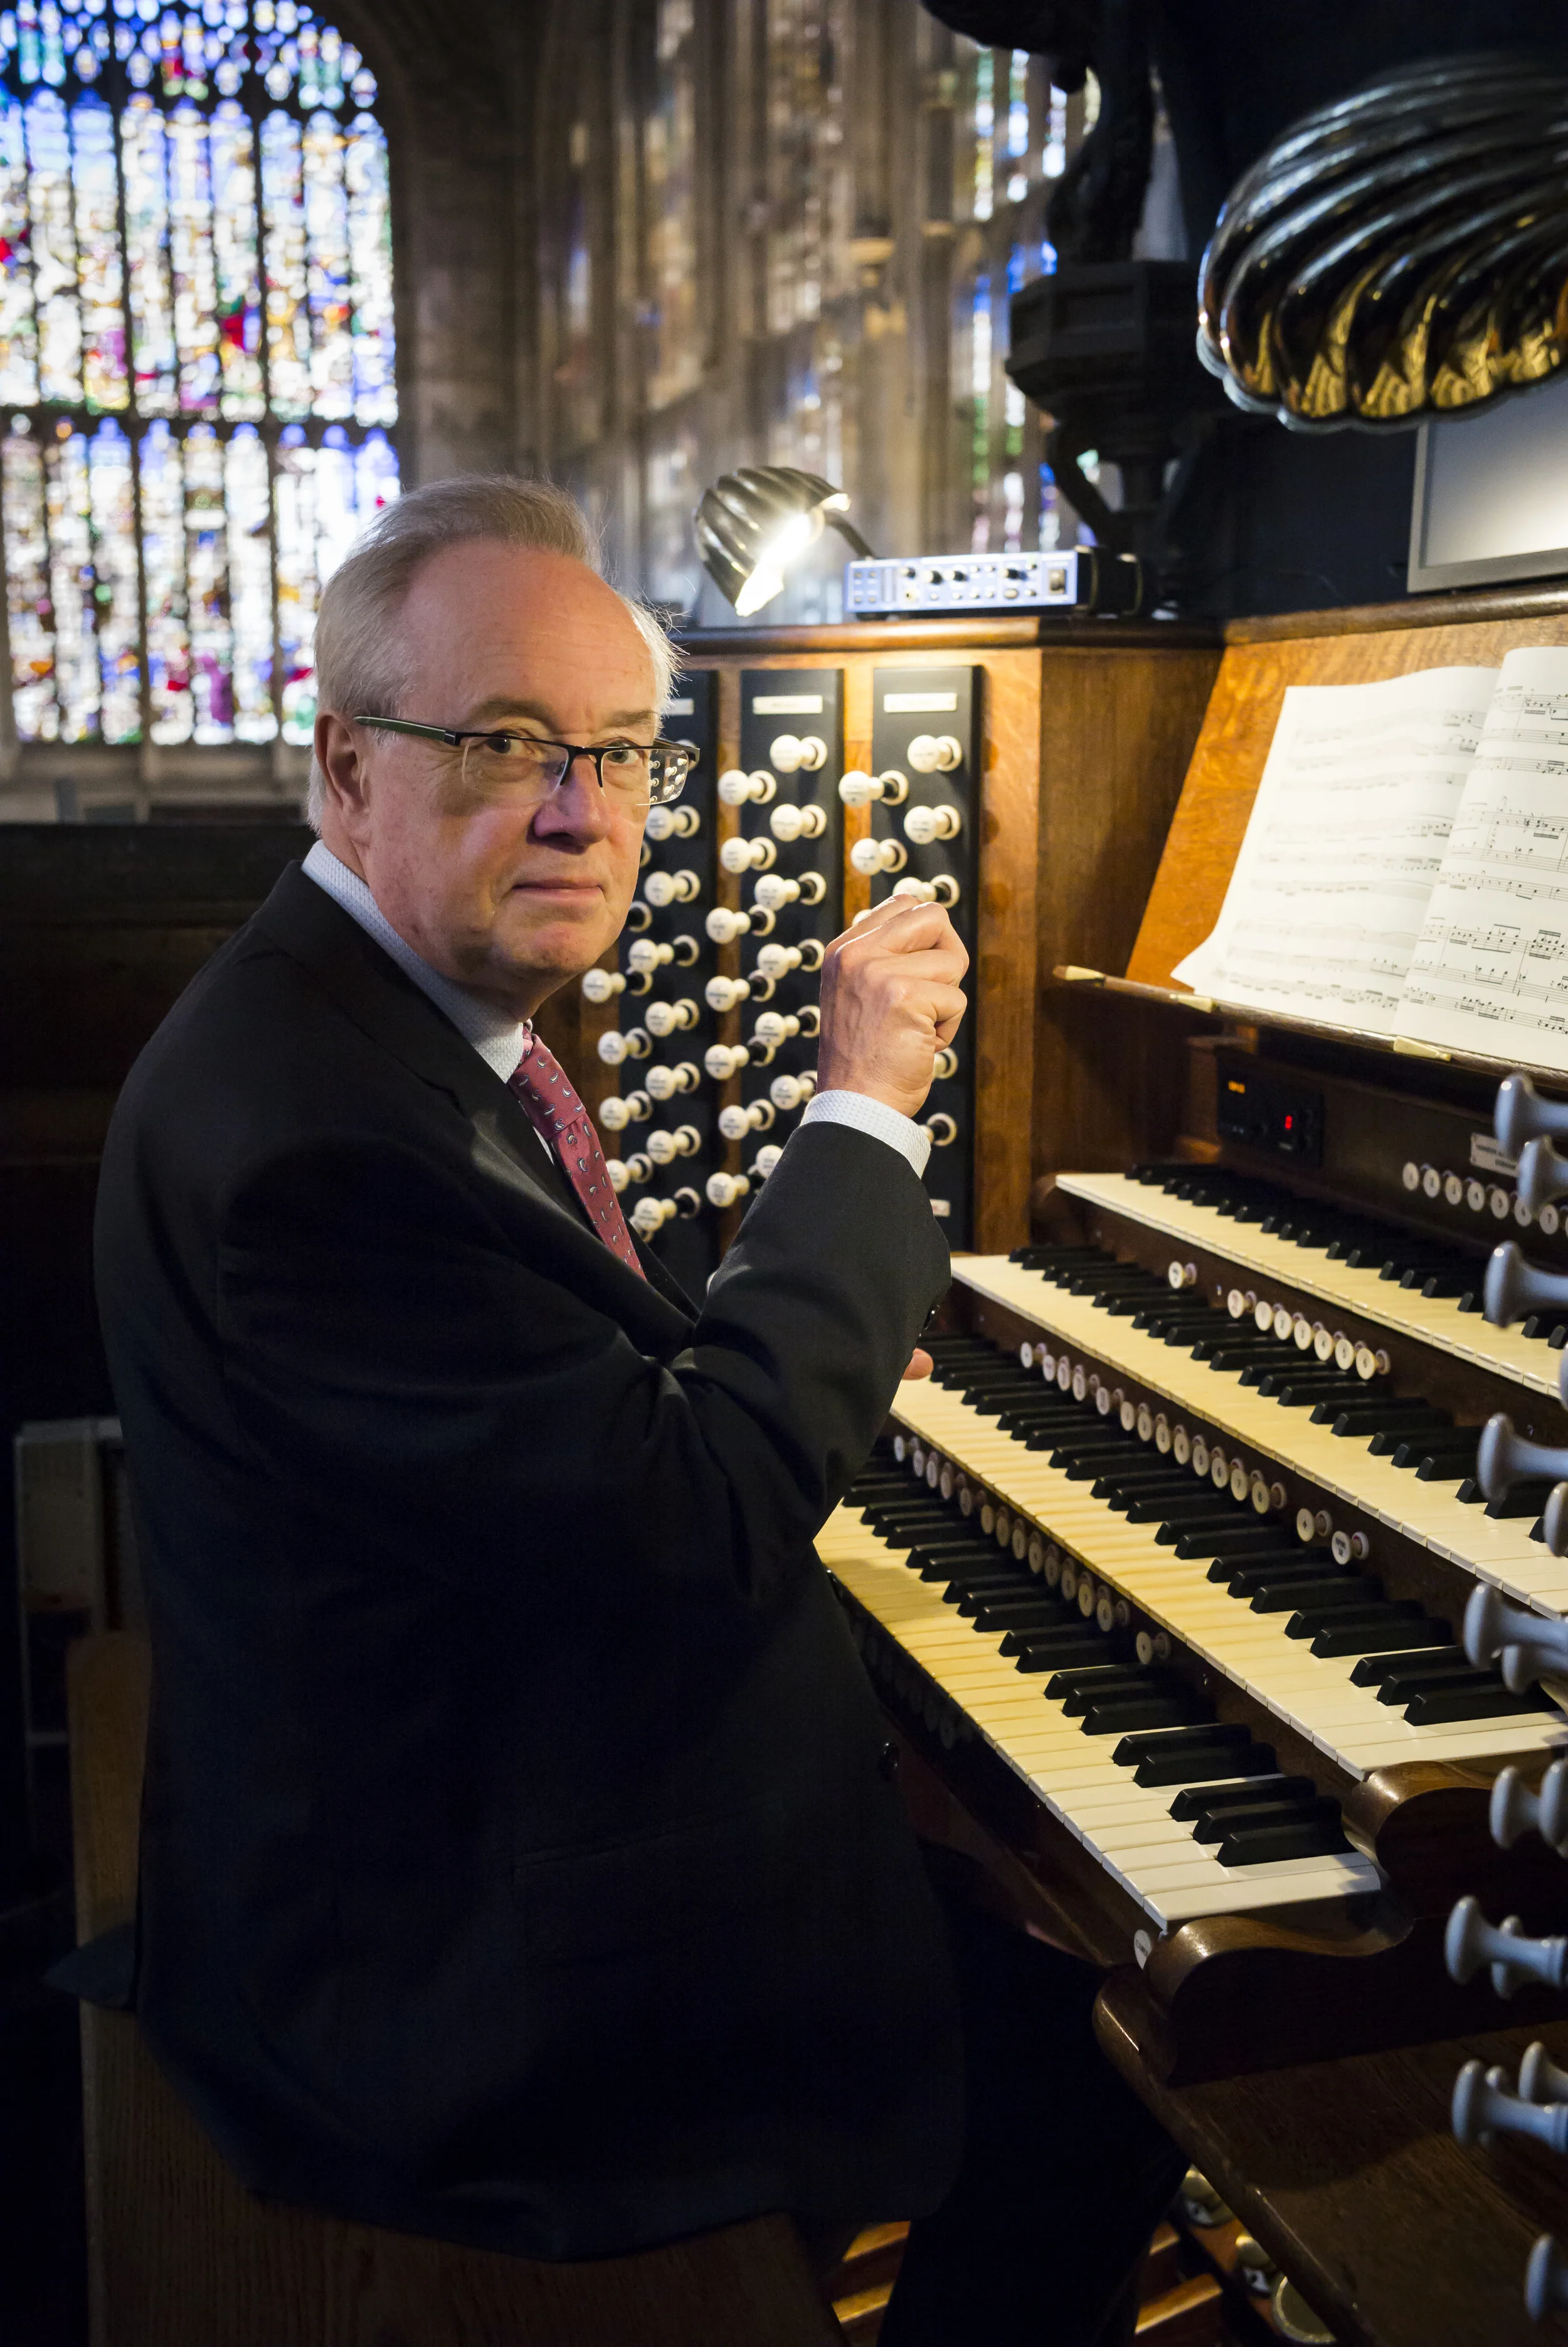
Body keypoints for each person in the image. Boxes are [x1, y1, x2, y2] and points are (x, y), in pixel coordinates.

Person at [86, 475, 1179, 2339]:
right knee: (1111, 2059)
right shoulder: (313, 1148)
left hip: (410, 1809)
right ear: (346, 766)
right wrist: (858, 1109)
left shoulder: (351, 1029)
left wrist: (774, 1343)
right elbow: (699, 1518)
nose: (585, 811)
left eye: (619, 750)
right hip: (466, 1985)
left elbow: (554, 1382)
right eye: (506, 743)